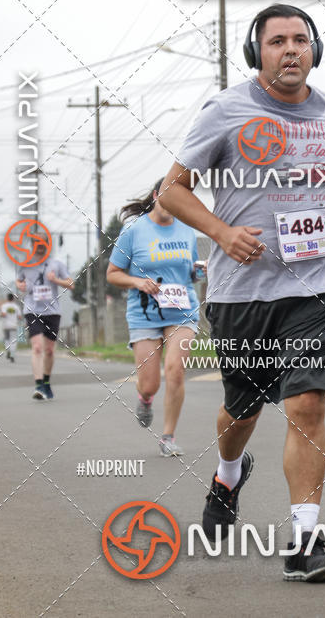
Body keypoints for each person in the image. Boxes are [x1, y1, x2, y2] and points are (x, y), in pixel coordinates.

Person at [158, 3, 325, 583]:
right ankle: (227, 475)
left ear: (314, 50)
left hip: (316, 288)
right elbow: (172, 192)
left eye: (300, 40)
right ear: (256, 53)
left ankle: (305, 541)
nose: (291, 49)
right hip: (240, 294)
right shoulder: (227, 110)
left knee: (307, 404)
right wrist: (221, 232)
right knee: (243, 408)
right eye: (277, 41)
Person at [107, 179, 202, 457]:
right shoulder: (133, 231)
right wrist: (137, 283)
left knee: (176, 369)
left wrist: (203, 269)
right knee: (150, 384)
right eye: (169, 196)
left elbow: (192, 273)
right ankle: (145, 399)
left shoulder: (187, 230)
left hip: (182, 311)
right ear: (156, 196)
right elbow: (112, 273)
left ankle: (168, 437)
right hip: (145, 314)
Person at [16, 242, 74, 400]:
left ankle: (46, 382)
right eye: (36, 243)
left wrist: (56, 280)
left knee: (49, 350)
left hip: (52, 312)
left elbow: (71, 284)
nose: (39, 246)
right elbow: (18, 281)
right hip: (32, 310)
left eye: (43, 243)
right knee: (36, 347)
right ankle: (38, 384)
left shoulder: (57, 264)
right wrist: (20, 285)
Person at [0, 292, 22, 362]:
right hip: (14, 325)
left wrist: (4, 314)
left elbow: (3, 314)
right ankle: (12, 355)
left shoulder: (4, 306)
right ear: (13, 298)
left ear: (7, 298)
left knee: (7, 339)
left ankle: (8, 351)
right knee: (13, 341)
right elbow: (19, 317)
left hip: (6, 325)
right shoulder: (16, 307)